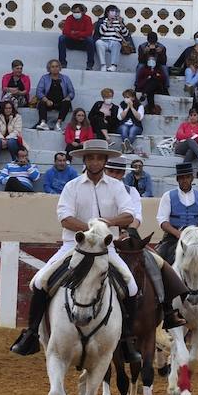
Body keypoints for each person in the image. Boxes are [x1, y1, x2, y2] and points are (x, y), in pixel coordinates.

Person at [9, 140, 143, 362]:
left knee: (131, 287)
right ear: (84, 160)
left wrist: (106, 223)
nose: (94, 162)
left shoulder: (117, 186)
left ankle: (127, 340)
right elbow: (65, 218)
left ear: (105, 160)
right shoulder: (72, 186)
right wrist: (91, 230)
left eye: (99, 158)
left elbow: (129, 215)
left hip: (105, 248)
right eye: (90, 157)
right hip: (74, 246)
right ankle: (31, 334)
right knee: (40, 281)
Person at [155, 161, 198, 264]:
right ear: (177, 179)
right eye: (181, 178)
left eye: (187, 177)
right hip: (173, 237)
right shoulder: (168, 196)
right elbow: (162, 221)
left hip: (196, 238)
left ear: (192, 178)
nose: (184, 180)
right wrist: (178, 233)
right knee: (157, 261)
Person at [57, 4, 96, 71]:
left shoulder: (87, 19)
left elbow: (89, 32)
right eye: (74, 12)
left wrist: (75, 33)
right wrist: (79, 35)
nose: (76, 14)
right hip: (72, 42)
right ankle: (62, 63)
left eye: (78, 12)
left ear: (82, 12)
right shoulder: (69, 18)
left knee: (90, 40)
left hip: (83, 43)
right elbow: (65, 31)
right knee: (61, 38)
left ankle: (90, 65)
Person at [93, 5, 129, 71]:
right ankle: (103, 65)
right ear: (107, 13)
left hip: (115, 41)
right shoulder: (103, 20)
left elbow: (126, 34)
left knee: (116, 44)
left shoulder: (119, 22)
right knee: (98, 42)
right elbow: (101, 32)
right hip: (104, 41)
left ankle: (113, 66)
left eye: (115, 11)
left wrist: (121, 24)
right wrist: (108, 24)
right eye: (112, 11)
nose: (114, 13)